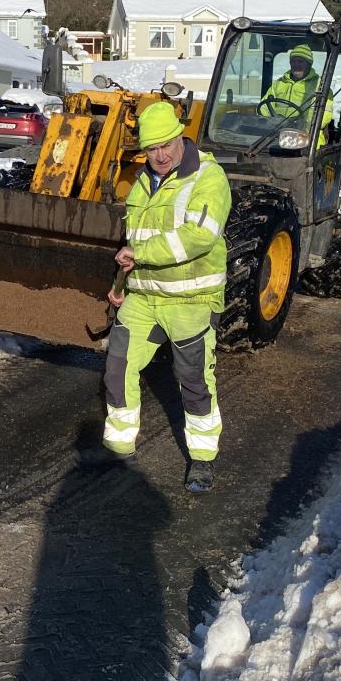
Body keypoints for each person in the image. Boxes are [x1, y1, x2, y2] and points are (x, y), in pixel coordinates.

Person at [102, 101, 232, 493]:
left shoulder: (209, 178)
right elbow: (133, 241)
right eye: (150, 149)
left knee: (193, 379)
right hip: (143, 297)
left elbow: (199, 236)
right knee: (117, 368)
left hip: (190, 300)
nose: (159, 155)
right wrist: (118, 286)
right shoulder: (143, 181)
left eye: (165, 145)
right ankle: (119, 449)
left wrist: (141, 255)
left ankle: (203, 458)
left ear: (180, 136)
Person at [259, 44, 336, 145]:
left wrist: (302, 127)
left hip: (306, 138)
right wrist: (271, 123)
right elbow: (264, 107)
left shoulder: (320, 86)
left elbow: (325, 114)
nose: (296, 65)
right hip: (277, 136)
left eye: (300, 61)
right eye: (293, 61)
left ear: (309, 64)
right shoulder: (280, 83)